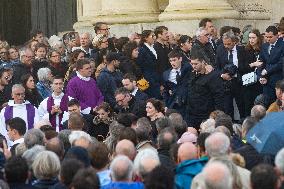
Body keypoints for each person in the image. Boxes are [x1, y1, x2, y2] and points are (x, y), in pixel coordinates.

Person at [187, 49, 224, 129]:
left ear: (203, 62)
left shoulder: (212, 76)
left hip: (206, 115)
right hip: (192, 114)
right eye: (192, 64)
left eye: (196, 64)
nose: (193, 66)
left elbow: (219, 96)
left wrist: (216, 115)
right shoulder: (192, 74)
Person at [215, 31, 247, 120]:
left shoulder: (242, 50)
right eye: (224, 44)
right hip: (225, 84)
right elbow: (216, 67)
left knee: (242, 105)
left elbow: (246, 67)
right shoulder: (220, 49)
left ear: (234, 42)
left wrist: (237, 70)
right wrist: (222, 75)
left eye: (228, 44)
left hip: (239, 82)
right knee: (227, 108)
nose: (226, 46)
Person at [258, 26, 284, 102]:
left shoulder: (282, 45)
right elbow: (261, 62)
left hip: (278, 80)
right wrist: (260, 76)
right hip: (266, 81)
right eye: (266, 37)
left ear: (277, 36)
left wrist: (267, 70)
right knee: (267, 103)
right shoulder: (264, 46)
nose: (268, 39)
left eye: (270, 37)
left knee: (278, 104)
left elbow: (281, 63)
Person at [162, 50, 191, 118]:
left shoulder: (188, 68)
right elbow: (165, 90)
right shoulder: (166, 74)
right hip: (173, 104)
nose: (172, 63)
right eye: (170, 61)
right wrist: (166, 105)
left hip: (187, 103)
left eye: (174, 60)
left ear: (180, 59)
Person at [243, 29, 263, 116]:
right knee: (248, 104)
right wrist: (253, 64)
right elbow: (243, 67)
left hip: (260, 81)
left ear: (258, 38)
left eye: (253, 38)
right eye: (250, 38)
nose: (251, 40)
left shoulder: (263, 49)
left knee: (259, 105)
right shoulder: (246, 50)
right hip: (249, 82)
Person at [136, 30, 161, 99]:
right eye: (152, 36)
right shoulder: (142, 49)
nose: (154, 38)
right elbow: (140, 65)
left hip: (155, 78)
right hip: (148, 79)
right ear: (145, 38)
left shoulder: (153, 47)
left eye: (154, 36)